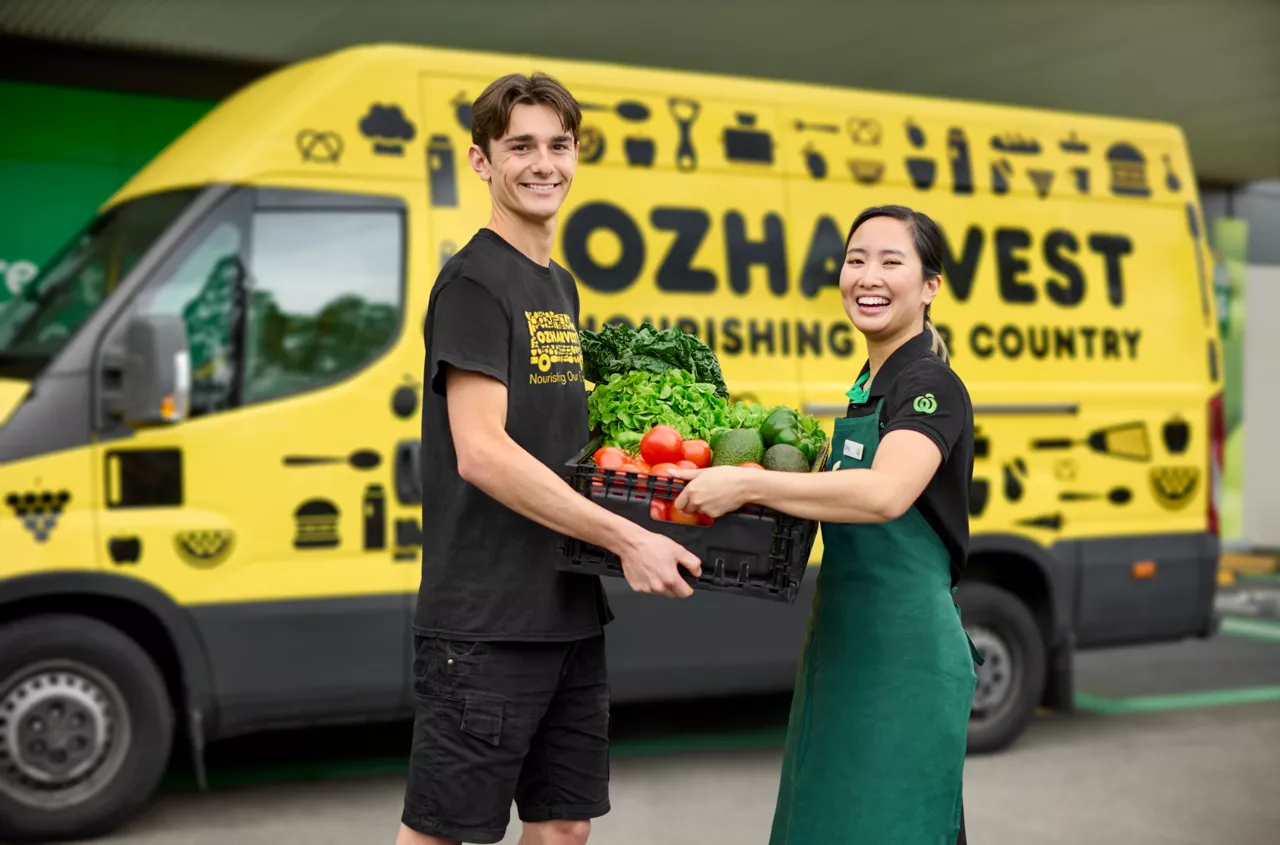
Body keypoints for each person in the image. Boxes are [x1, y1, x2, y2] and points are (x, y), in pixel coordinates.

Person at [398, 73, 702, 845]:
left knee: (564, 824)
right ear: (481, 161)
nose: (544, 164)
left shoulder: (557, 284)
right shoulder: (474, 281)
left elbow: (559, 441)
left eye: (559, 145)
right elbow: (483, 452)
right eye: (520, 146)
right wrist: (626, 536)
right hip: (486, 622)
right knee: (445, 831)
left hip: (566, 608)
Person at [671, 204, 983, 845]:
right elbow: (828, 496)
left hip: (905, 660)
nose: (868, 275)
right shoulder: (869, 385)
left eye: (891, 262)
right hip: (843, 648)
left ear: (930, 286)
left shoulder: (930, 385)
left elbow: (886, 494)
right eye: (856, 259)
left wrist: (750, 482)